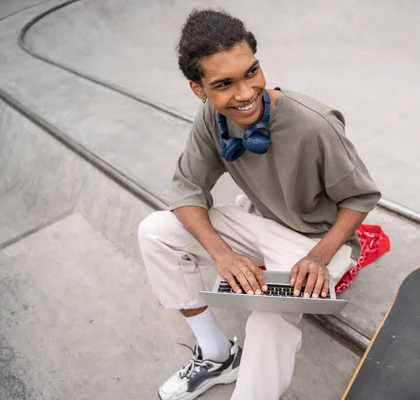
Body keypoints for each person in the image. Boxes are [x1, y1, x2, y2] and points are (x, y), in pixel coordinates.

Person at [137, 8, 381, 400]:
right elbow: (186, 190)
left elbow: (360, 197)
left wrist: (318, 258)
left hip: (314, 242)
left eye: (251, 72)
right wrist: (223, 255)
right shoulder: (210, 118)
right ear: (198, 90)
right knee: (154, 232)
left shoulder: (313, 124)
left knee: (269, 318)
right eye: (224, 84)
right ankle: (218, 356)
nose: (245, 93)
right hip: (261, 222)